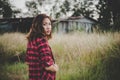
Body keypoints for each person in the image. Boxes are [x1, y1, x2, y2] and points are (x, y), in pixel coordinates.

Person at [25, 14, 59, 80]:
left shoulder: (32, 40)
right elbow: (48, 66)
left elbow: (28, 61)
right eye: (44, 24)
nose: (48, 27)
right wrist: (55, 68)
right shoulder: (42, 40)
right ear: (38, 26)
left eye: (49, 24)